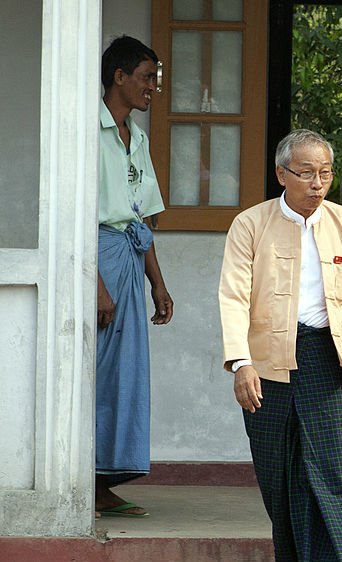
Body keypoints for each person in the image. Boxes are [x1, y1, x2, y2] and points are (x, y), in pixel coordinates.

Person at [219, 129, 342, 562]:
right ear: (282, 174)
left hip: (325, 356)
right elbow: (233, 296)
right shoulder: (251, 224)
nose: (317, 183)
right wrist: (240, 361)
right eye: (306, 173)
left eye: (326, 172)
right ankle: (288, 557)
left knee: (329, 473)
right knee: (274, 466)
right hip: (265, 358)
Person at [95, 36, 174, 518]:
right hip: (98, 264)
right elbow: (76, 217)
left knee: (125, 377)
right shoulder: (88, 131)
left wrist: (157, 283)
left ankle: (105, 478)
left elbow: (142, 220)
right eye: (146, 77)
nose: (152, 87)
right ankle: (81, 477)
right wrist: (95, 285)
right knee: (97, 373)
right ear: (120, 77)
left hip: (129, 261)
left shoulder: (137, 139)